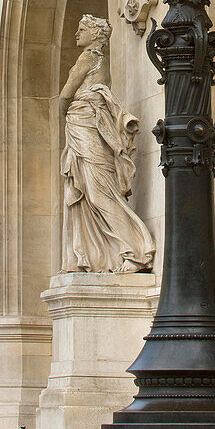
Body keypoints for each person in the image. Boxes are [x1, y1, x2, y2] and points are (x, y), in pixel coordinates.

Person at [60, 15, 155, 273]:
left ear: (96, 35)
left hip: (88, 129)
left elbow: (66, 92)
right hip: (84, 129)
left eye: (82, 29)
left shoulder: (90, 57)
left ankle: (136, 249)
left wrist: (64, 108)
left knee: (100, 194)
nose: (76, 33)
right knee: (93, 194)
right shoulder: (97, 60)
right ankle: (100, 255)